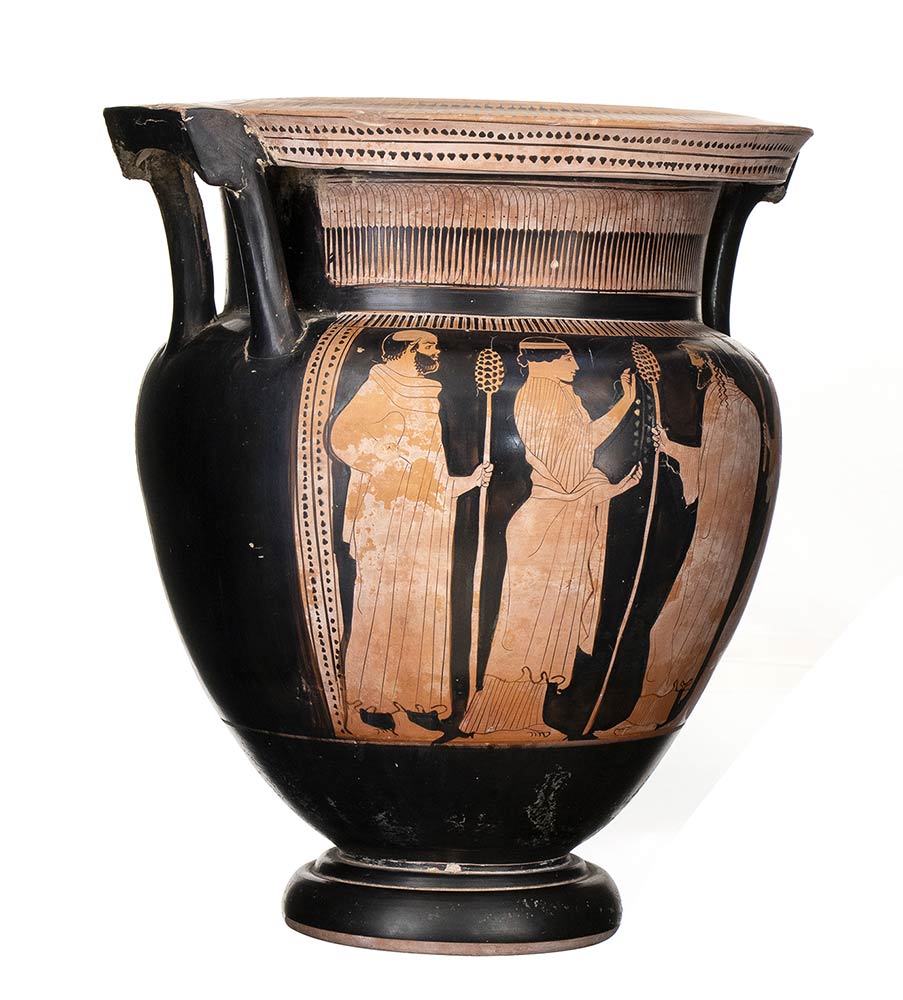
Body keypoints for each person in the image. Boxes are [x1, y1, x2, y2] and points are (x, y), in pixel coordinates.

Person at [460, 337, 641, 741]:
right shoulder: (542, 397)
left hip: (559, 522)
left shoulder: (557, 395)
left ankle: (527, 717)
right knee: (528, 630)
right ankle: (495, 719)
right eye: (569, 358)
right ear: (546, 360)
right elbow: (568, 474)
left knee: (550, 628)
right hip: (545, 527)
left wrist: (625, 402)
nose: (576, 365)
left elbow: (581, 445)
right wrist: (601, 486)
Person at [330, 330, 492, 740]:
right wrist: (394, 460)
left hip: (426, 521)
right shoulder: (380, 385)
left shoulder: (426, 393)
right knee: (382, 607)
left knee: (423, 607)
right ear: (405, 351)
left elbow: (431, 470)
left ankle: (417, 705)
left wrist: (467, 482)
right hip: (386, 518)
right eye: (428, 347)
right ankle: (373, 706)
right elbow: (343, 439)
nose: (437, 352)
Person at [601, 342, 761, 736]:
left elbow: (721, 467)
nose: (694, 372)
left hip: (712, 530)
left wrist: (674, 453)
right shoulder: (724, 400)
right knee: (667, 627)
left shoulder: (732, 404)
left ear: (709, 367)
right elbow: (711, 461)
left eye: (695, 364)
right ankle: (645, 714)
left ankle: (647, 715)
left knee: (670, 627)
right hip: (707, 526)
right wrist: (671, 447)